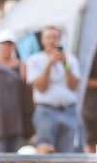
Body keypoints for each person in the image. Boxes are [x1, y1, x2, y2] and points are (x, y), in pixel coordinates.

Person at [26, 25, 83, 153]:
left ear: (60, 39)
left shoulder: (70, 60)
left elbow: (73, 86)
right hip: (46, 111)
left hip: (68, 110)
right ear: (42, 40)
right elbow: (41, 87)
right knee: (46, 151)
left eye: (55, 37)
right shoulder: (34, 60)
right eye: (49, 37)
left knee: (67, 151)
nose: (52, 41)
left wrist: (65, 64)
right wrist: (49, 64)